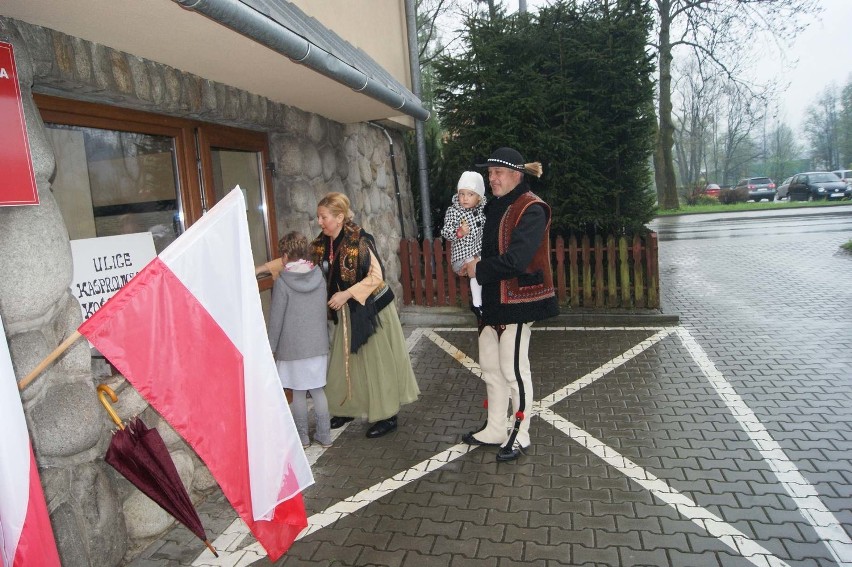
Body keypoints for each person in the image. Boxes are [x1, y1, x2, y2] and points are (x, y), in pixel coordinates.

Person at [460, 147, 559, 462]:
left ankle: (521, 433)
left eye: (497, 173)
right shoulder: (494, 207)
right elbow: (489, 250)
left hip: (518, 303)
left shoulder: (533, 208)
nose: (491, 179)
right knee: (490, 368)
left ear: (516, 174)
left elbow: (517, 260)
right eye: (489, 173)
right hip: (490, 303)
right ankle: (495, 427)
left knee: (514, 370)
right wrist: (472, 260)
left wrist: (479, 269)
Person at [310, 192, 420, 438]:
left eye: (323, 217)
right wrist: (264, 268)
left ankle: (387, 415)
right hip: (348, 310)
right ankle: (347, 407)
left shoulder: (359, 240)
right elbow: (301, 261)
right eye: (318, 217)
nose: (319, 222)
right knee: (344, 362)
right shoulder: (322, 242)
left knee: (376, 364)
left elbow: (376, 277)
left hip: (372, 310)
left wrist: (346, 294)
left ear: (339, 218)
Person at [267, 231, 333, 448]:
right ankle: (325, 436)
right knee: (317, 390)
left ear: (285, 255)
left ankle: (303, 438)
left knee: (297, 393)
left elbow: (276, 320)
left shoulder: (283, 283)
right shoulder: (319, 277)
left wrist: (271, 347)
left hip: (293, 348)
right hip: (317, 345)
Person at [441, 171, 486, 316]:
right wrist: (458, 232)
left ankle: (481, 303)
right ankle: (477, 304)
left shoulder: (482, 211)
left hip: (477, 254)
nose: (465, 198)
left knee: (482, 270)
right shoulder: (454, 211)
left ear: (479, 197)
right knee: (476, 269)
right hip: (462, 257)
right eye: (462, 194)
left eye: (470, 194)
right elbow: (446, 231)